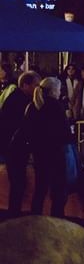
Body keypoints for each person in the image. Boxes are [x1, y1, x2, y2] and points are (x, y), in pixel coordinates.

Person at [21, 77, 76, 218]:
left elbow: (27, 131)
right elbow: (64, 133)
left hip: (39, 155)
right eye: (58, 90)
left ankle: (35, 221)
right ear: (53, 91)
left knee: (40, 190)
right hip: (55, 154)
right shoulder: (55, 106)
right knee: (57, 192)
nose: (59, 93)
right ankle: (56, 222)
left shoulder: (32, 106)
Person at [1, 71, 39, 214]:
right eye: (35, 85)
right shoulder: (19, 101)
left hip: (13, 149)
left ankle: (14, 214)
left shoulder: (18, 98)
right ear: (25, 85)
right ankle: (13, 216)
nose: (38, 88)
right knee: (18, 184)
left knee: (18, 184)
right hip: (14, 150)